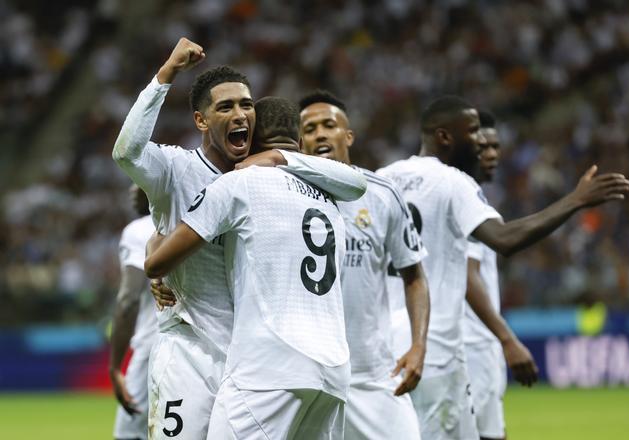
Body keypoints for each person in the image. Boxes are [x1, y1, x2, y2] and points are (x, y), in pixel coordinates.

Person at [113, 37, 366, 439]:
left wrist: (279, 156)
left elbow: (354, 181)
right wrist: (166, 75)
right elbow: (126, 153)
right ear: (201, 121)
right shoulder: (175, 169)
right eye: (226, 107)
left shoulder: (265, 180)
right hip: (190, 350)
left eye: (247, 105)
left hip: (251, 357)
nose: (240, 114)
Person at [378, 95, 629, 440]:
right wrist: (576, 200)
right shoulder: (454, 183)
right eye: (473, 132)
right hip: (436, 349)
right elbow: (506, 239)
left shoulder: (381, 179)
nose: (481, 141)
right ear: (444, 137)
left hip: (386, 348)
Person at [299, 90, 430, 440]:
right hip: (309, 379)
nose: (320, 134)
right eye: (310, 129)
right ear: (299, 143)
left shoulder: (382, 194)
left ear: (348, 135)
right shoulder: (284, 194)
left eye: (329, 125)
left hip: (373, 375)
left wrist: (418, 345)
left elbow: (414, 275)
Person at [462, 110, 531, 440]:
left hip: (476, 345)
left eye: (495, 147)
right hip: (471, 346)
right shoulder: (465, 201)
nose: (491, 154)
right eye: (482, 146)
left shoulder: (473, 198)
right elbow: (467, 275)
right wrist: (507, 338)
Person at [110, 184, 157, 440]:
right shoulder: (195, 224)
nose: (131, 189)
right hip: (207, 348)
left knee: (130, 434)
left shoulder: (139, 230)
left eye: (138, 181)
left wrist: (115, 367)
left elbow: (128, 300)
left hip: (154, 346)